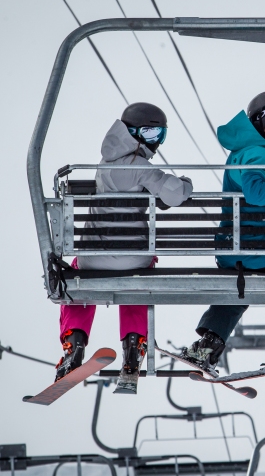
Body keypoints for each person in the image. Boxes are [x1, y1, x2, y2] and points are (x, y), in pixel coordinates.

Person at [55, 103, 193, 386]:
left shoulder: (103, 166)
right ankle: (134, 347)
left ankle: (74, 343)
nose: (155, 140)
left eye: (159, 134)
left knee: (77, 278)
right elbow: (176, 194)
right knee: (138, 279)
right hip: (133, 258)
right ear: (133, 133)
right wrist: (185, 183)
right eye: (151, 132)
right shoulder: (140, 166)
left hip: (92, 258)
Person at [182, 91, 265, 371]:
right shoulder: (258, 154)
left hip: (237, 251)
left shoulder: (245, 152)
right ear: (260, 122)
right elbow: (258, 193)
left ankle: (209, 343)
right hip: (260, 249)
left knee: (241, 285)